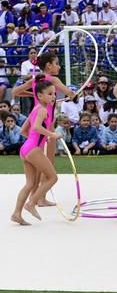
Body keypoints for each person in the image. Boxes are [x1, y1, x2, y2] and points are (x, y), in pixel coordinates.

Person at [11, 79, 60, 225]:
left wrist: (40, 139)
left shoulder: (36, 108)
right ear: (39, 95)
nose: (53, 97)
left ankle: (16, 214)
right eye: (50, 94)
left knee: (30, 184)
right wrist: (52, 135)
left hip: (26, 148)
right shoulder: (43, 110)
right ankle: (31, 203)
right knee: (52, 178)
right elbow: (37, 127)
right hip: (33, 149)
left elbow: (24, 130)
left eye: (54, 94)